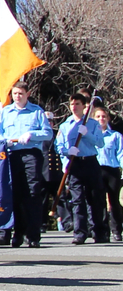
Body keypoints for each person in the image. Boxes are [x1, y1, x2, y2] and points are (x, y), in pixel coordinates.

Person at [0, 82, 54, 247]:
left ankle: (33, 235)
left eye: (20, 93)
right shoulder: (5, 112)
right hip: (11, 154)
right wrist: (4, 141)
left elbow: (47, 133)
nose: (17, 96)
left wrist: (32, 134)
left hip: (31, 154)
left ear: (27, 94)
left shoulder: (36, 112)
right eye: (15, 93)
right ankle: (17, 234)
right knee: (14, 194)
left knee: (32, 193)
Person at [56, 89, 109, 245]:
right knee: (77, 199)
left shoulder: (92, 124)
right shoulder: (66, 125)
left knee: (95, 198)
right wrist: (67, 152)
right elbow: (59, 145)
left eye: (77, 104)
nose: (74, 107)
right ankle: (79, 232)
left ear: (84, 106)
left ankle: (98, 231)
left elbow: (100, 143)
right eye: (72, 104)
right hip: (75, 163)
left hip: (90, 162)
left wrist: (87, 134)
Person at [94, 105, 123, 242]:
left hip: (112, 170)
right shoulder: (91, 135)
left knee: (114, 201)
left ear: (108, 118)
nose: (101, 119)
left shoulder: (116, 136)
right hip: (97, 170)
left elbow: (121, 154)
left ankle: (117, 230)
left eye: (104, 116)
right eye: (98, 116)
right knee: (99, 202)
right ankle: (102, 230)